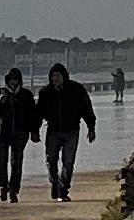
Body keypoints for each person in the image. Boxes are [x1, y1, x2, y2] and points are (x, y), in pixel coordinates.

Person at [37, 63, 97, 200]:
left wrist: (91, 128)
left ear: (64, 76)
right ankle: (55, 185)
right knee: (51, 160)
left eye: (57, 75)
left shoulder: (76, 89)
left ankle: (63, 190)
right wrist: (34, 130)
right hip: (53, 131)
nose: (55, 78)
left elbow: (87, 109)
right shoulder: (45, 92)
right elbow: (39, 112)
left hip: (72, 131)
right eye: (53, 76)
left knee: (68, 162)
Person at [0, 67, 42, 201]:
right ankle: (3, 187)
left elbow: (33, 115)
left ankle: (14, 190)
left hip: (20, 132)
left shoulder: (26, 94)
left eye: (16, 79)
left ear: (19, 80)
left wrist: (34, 131)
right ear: (7, 80)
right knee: (1, 161)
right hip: (1, 132)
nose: (13, 81)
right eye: (10, 79)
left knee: (16, 162)